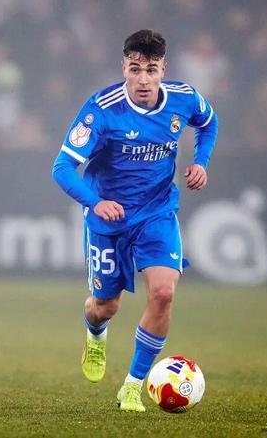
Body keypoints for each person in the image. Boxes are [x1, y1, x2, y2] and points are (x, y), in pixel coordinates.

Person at [51, 29, 218, 412]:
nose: (143, 79)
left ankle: (132, 386)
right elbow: (62, 168)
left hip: (157, 212)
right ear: (124, 68)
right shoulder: (101, 109)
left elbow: (208, 123)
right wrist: (95, 203)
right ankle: (95, 334)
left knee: (163, 293)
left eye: (151, 70)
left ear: (164, 70)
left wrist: (201, 162)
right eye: (135, 69)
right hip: (109, 219)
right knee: (105, 306)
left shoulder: (184, 98)